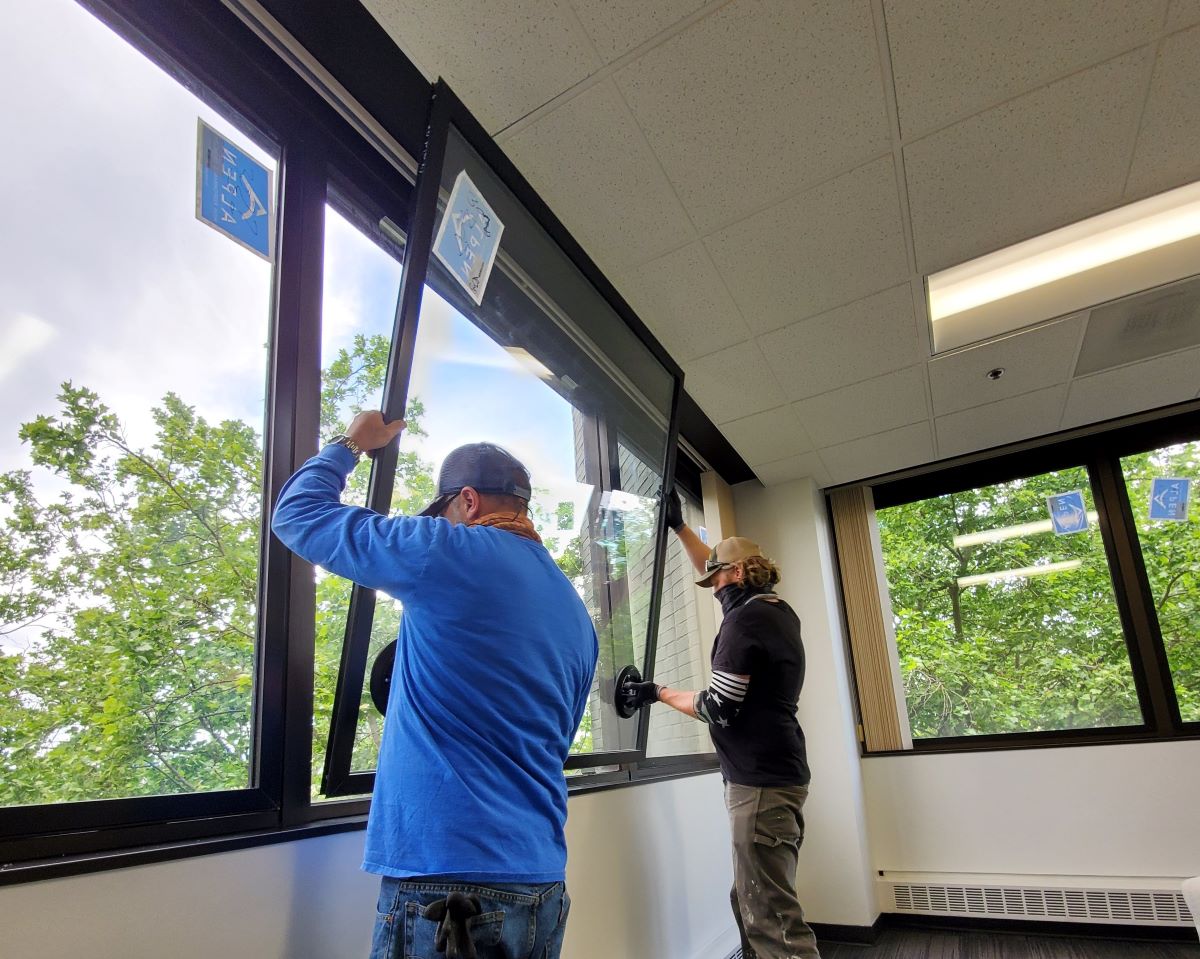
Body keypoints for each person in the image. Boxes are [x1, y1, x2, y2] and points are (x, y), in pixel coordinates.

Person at [272, 411, 598, 959]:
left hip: (451, 888)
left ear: (467, 501)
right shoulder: (573, 611)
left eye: (444, 511)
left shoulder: (449, 551)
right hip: (539, 882)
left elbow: (298, 516)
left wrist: (352, 444)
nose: (441, 522)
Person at [623, 491, 819, 959]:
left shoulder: (744, 625)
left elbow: (718, 708)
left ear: (735, 575)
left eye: (717, 579)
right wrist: (679, 528)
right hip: (779, 776)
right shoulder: (775, 613)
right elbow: (717, 566)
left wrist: (658, 692)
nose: (712, 588)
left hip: (761, 786)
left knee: (773, 920)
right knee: (749, 901)